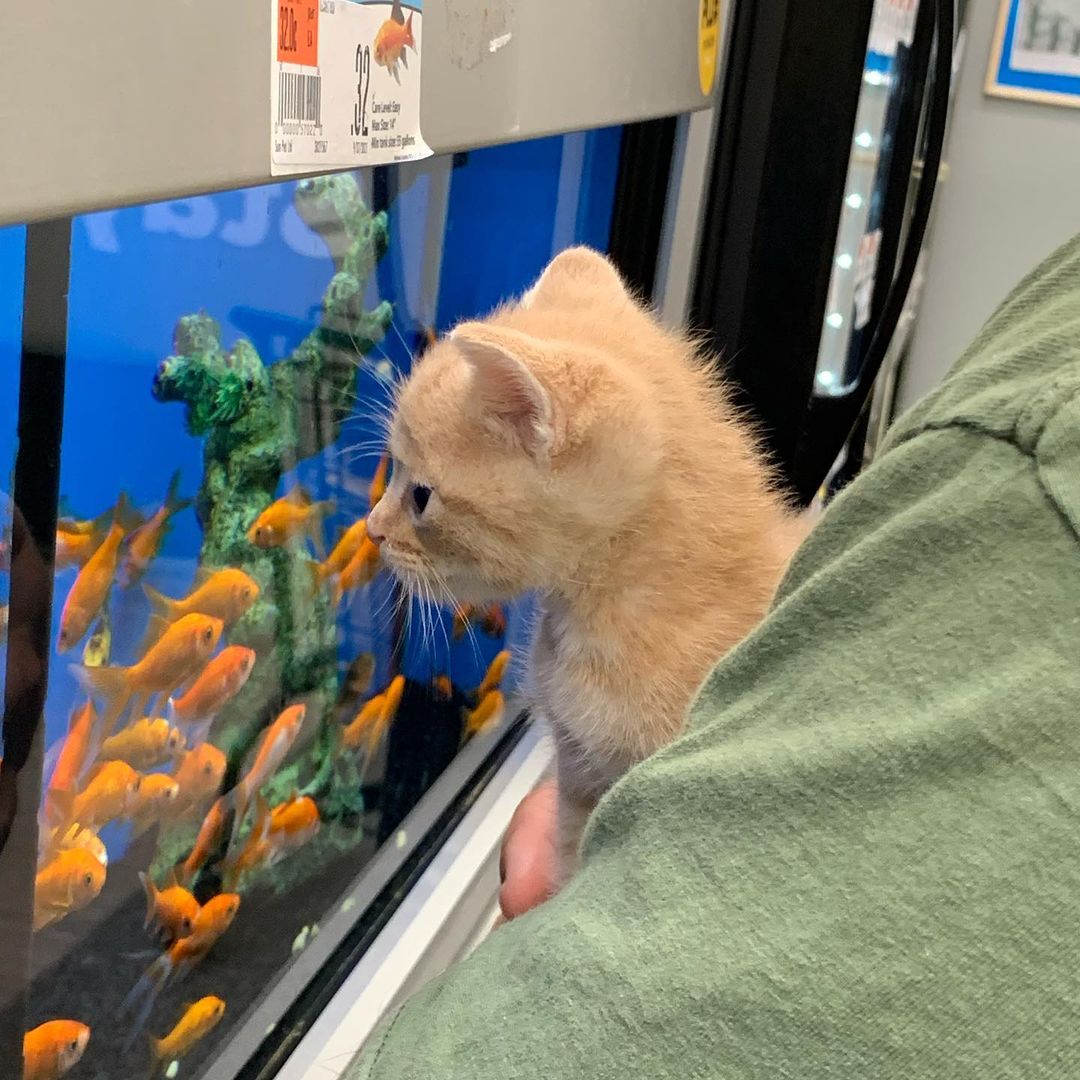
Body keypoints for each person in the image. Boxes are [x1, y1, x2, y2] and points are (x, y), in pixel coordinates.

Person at [348, 233, 1080, 1079]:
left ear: (549, 437)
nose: (380, 525)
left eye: (422, 496)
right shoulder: (592, 610)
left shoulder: (742, 650)